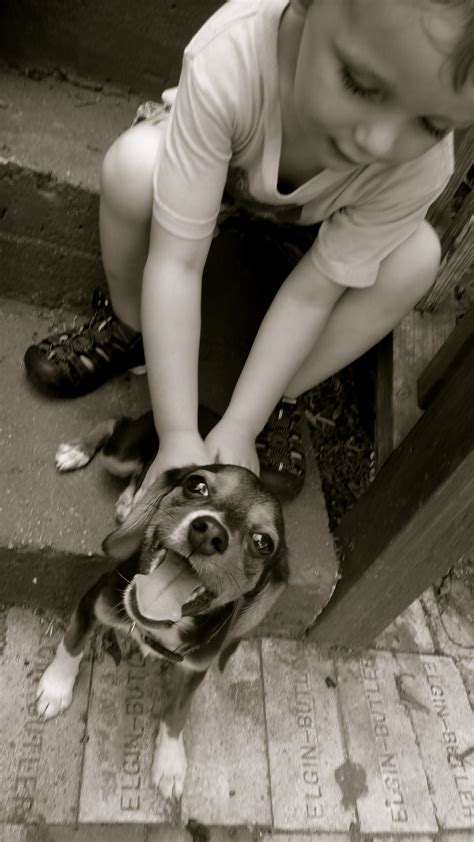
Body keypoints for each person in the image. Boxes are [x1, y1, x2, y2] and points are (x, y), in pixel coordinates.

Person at [24, 0, 474, 500]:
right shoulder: (231, 55)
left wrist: (240, 423)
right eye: (359, 84)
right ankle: (130, 327)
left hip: (321, 221)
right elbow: (177, 261)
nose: (378, 140)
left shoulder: (419, 168)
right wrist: (176, 435)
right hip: (206, 181)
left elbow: (311, 295)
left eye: (433, 125)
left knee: (417, 260)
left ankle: (279, 396)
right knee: (131, 168)